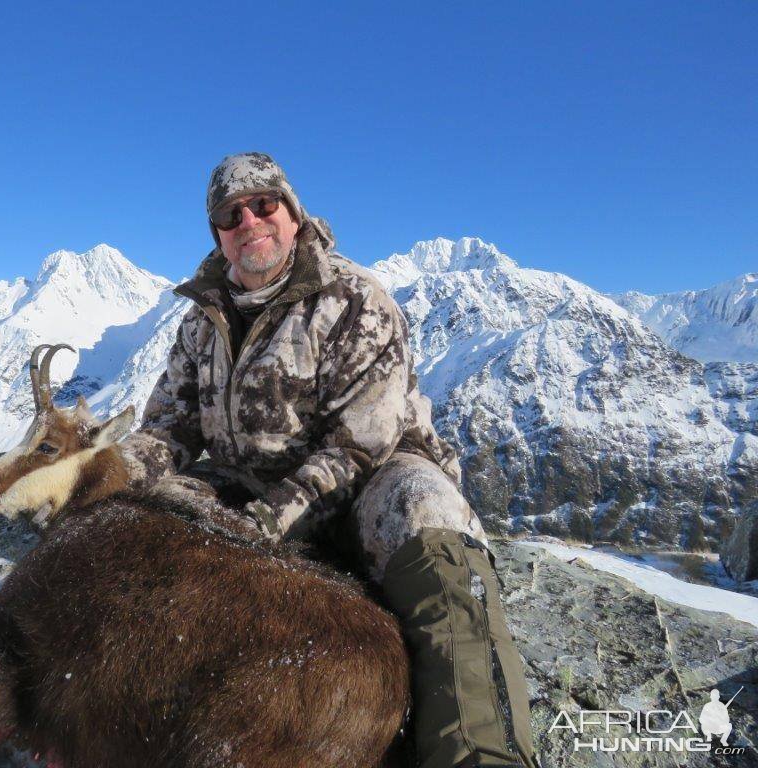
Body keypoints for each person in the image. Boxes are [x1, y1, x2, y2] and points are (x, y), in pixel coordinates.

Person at [119, 152, 539, 768]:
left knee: (427, 514)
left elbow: (357, 448)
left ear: (293, 214)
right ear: (218, 234)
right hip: (251, 483)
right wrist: (104, 476)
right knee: (146, 522)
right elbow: (169, 430)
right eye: (231, 214)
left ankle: (481, 752)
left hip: (373, 479)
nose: (249, 221)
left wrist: (264, 524)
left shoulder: (355, 298)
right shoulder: (200, 323)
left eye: (264, 204)